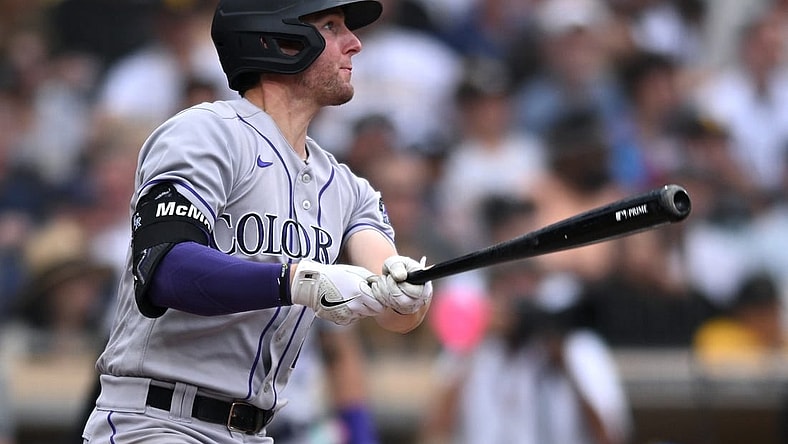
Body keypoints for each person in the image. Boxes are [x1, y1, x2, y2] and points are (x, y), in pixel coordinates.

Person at [80, 1, 434, 443]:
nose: (355, 43)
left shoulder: (348, 187)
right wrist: (299, 281)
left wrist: (405, 294)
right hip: (158, 420)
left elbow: (391, 301)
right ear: (279, 39)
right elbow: (166, 269)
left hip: (256, 430)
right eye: (331, 26)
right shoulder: (205, 132)